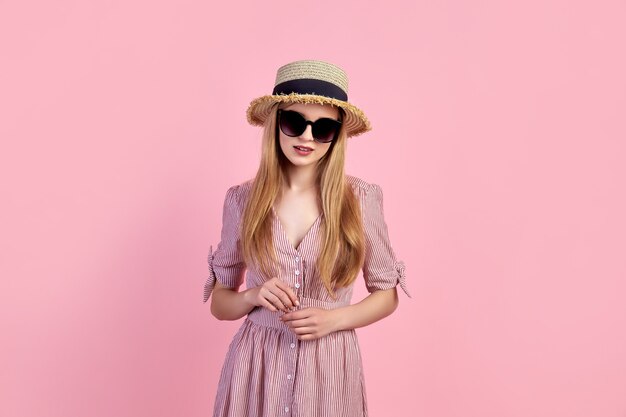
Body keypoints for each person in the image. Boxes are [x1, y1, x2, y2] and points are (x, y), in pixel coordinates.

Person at [203, 60, 410, 417]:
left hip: (329, 370)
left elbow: (386, 294)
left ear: (338, 135)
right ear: (276, 124)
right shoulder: (242, 200)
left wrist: (335, 319)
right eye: (294, 122)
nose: (307, 138)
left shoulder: (361, 199)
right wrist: (252, 295)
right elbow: (220, 303)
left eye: (324, 128)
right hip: (256, 369)